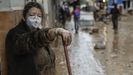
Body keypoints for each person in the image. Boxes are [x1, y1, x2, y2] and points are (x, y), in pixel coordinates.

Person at [5, 2, 72, 75]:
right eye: (32, 15)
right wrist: (53, 32)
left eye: (39, 16)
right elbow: (30, 40)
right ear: (24, 17)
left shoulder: (37, 31)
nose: (36, 18)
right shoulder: (15, 34)